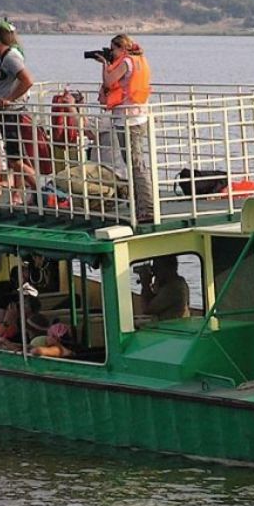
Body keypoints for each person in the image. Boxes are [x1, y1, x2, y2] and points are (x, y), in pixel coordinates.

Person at [95, 34, 154, 223]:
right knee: (135, 163)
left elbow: (109, 81)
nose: (111, 53)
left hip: (129, 119)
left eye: (112, 49)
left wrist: (105, 64)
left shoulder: (127, 61)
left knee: (136, 164)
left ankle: (147, 207)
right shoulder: (139, 60)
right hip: (137, 116)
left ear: (121, 48)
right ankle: (141, 205)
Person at [0, 24, 40, 203]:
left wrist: (9, 98)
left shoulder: (11, 58)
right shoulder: (3, 58)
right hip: (7, 112)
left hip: (12, 113)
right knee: (14, 157)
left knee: (15, 159)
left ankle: (40, 187)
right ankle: (32, 192)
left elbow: (27, 80)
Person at [137, 254, 189, 321]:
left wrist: (145, 284)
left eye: (157, 268)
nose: (154, 271)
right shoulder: (174, 282)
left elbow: (147, 309)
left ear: (166, 268)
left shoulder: (174, 288)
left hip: (171, 326)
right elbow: (153, 301)